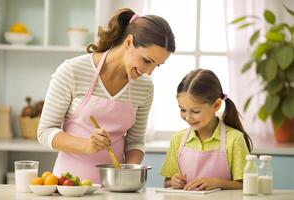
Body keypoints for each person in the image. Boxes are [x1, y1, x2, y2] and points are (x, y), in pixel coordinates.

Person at [38, 8, 175, 183]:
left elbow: (135, 142)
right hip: (69, 184)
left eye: (157, 65)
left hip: (116, 188)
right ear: (128, 42)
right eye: (147, 61)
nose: (149, 72)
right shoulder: (73, 71)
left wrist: (129, 173)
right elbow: (45, 131)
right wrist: (86, 145)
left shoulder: (144, 86)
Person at [160, 69, 252, 190]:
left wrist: (218, 183)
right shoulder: (177, 140)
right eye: (183, 110)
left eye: (195, 111)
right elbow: (167, 182)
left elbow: (246, 184)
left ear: (216, 105)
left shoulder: (234, 139)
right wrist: (173, 182)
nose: (188, 117)